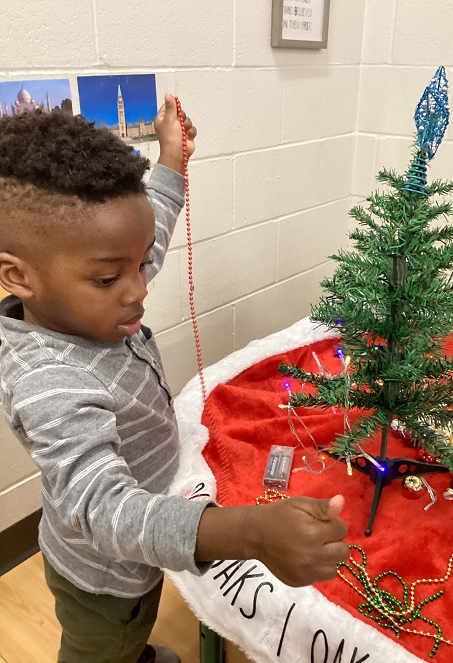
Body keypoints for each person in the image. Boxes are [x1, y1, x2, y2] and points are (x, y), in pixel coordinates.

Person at [0, 96, 349, 663]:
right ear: (19, 276)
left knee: (132, 629)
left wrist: (171, 157)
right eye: (112, 276)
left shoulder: (94, 290)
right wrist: (254, 533)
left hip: (145, 541)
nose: (139, 289)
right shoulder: (50, 383)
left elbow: (150, 225)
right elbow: (108, 513)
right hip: (104, 578)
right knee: (106, 643)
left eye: (139, 266)